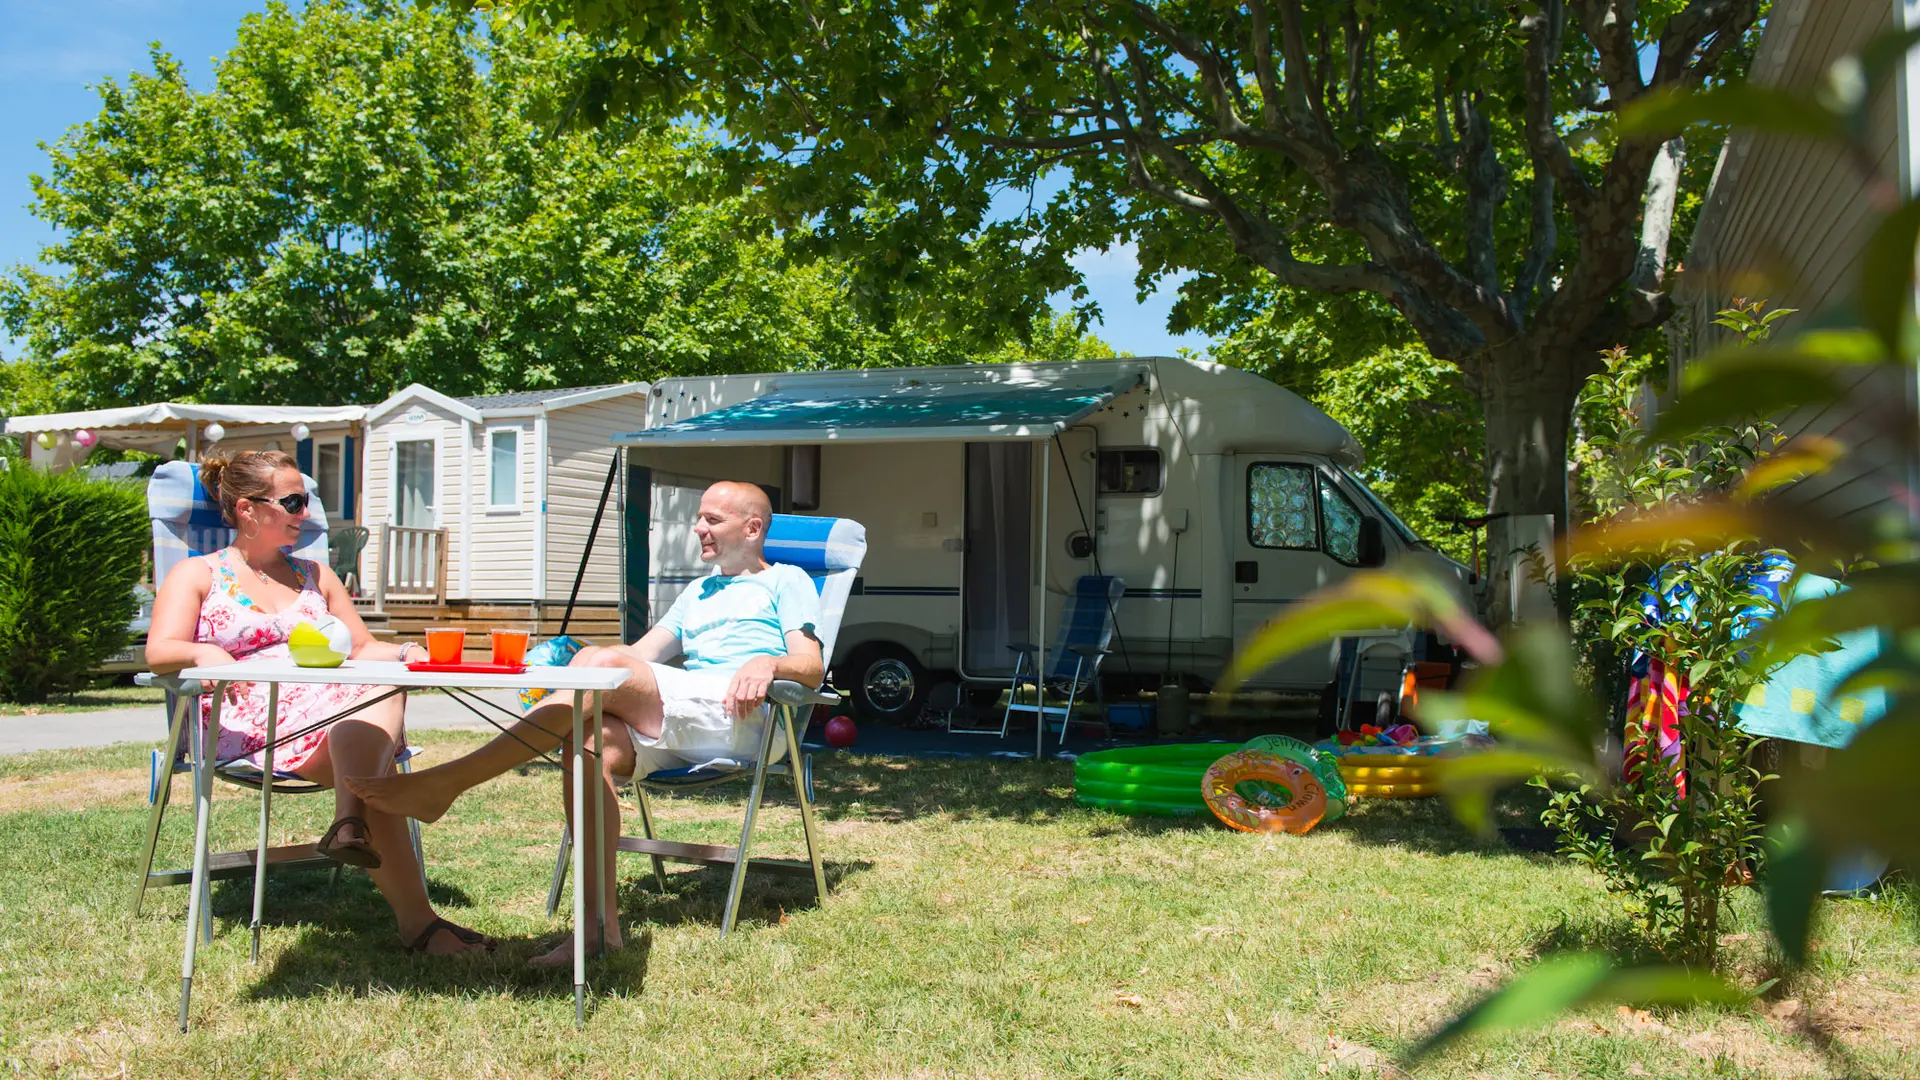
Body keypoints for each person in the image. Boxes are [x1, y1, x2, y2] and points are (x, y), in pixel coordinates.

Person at [349, 481, 822, 964]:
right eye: (698, 518)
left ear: (753, 527)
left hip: (742, 716)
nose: (697, 527)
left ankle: (449, 781)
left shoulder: (787, 581)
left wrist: (769, 663)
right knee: (586, 740)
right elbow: (636, 658)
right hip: (681, 718)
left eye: (712, 520)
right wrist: (567, 665)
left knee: (599, 665)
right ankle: (598, 930)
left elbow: (812, 666)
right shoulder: (698, 592)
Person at [146, 449, 491, 955]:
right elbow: (159, 652)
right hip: (246, 723)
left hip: (331, 715)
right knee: (379, 774)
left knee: (381, 689)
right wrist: (205, 650)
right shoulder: (198, 575)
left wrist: (409, 651)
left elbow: (362, 648)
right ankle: (414, 917)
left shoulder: (315, 575)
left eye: (304, 500)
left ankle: (352, 827)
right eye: (292, 501)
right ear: (247, 509)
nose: (304, 513)